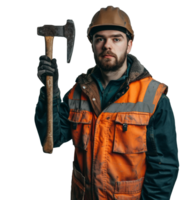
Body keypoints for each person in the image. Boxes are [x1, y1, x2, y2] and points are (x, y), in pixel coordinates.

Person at [34, 5, 180, 200]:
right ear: (91, 45)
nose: (107, 45)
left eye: (116, 39)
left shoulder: (153, 96)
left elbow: (165, 166)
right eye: (100, 39)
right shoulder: (78, 90)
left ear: (130, 45)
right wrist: (48, 90)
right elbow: (50, 140)